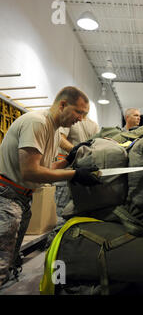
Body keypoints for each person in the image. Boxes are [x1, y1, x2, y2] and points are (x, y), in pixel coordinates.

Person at [0, 86, 101, 287]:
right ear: (62, 104)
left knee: (9, 261)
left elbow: (44, 169)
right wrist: (74, 174)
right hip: (6, 197)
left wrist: (68, 160)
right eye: (78, 112)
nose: (81, 119)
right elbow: (30, 172)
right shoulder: (37, 122)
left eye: (84, 114)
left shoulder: (54, 133)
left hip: (21, 199)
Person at [55, 117, 100, 216]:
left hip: (82, 173)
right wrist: (76, 151)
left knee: (76, 209)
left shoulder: (93, 124)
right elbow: (60, 139)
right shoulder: (70, 120)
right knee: (61, 210)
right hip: (66, 172)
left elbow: (95, 144)